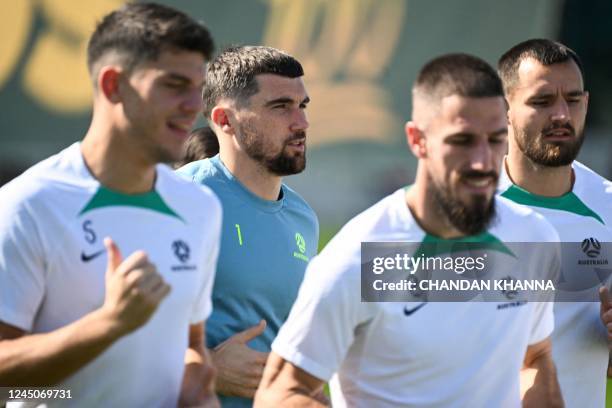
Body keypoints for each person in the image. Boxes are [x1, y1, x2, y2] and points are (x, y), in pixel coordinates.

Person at [255, 54, 563, 407]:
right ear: (417, 139)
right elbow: (280, 393)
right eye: (462, 141)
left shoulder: (534, 238)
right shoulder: (358, 259)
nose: (482, 161)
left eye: (495, 140)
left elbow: (535, 357)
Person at [0, 3, 220, 407]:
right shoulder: (27, 205)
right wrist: (109, 324)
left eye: (197, 87)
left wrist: (193, 387)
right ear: (113, 85)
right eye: (174, 84)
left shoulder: (201, 207)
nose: (194, 105)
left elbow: (191, 340)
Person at [177, 45, 319, 407]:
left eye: (301, 106)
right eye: (280, 107)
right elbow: (107, 338)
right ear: (225, 121)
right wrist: (204, 368)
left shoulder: (304, 218)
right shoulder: (177, 202)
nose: (301, 123)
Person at [497, 38, 611, 407]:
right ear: (504, 110)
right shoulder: (452, 214)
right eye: (542, 101)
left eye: (573, 100)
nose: (561, 114)